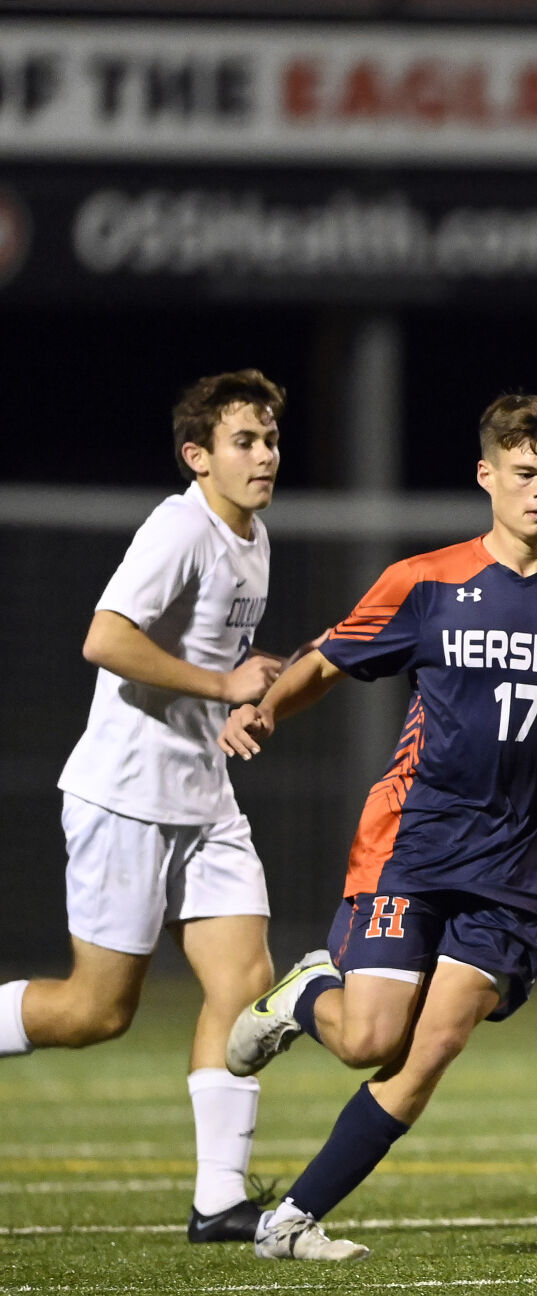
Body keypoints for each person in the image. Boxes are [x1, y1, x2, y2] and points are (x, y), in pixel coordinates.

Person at [217, 393, 537, 1262]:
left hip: (515, 862)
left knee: (430, 1052)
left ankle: (290, 1222)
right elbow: (327, 658)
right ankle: (305, 993)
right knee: (370, 1040)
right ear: (488, 476)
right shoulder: (426, 580)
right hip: (412, 841)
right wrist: (268, 710)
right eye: (526, 473)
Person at [0, 370, 290, 1243]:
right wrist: (219, 682)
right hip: (126, 796)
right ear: (196, 456)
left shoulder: (255, 536)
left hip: (203, 797)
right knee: (97, 1013)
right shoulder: (180, 526)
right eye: (245, 441)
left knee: (244, 989)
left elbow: (215, 663)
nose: (265, 455)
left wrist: (235, 704)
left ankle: (219, 1203)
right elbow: (105, 638)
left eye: (271, 439)